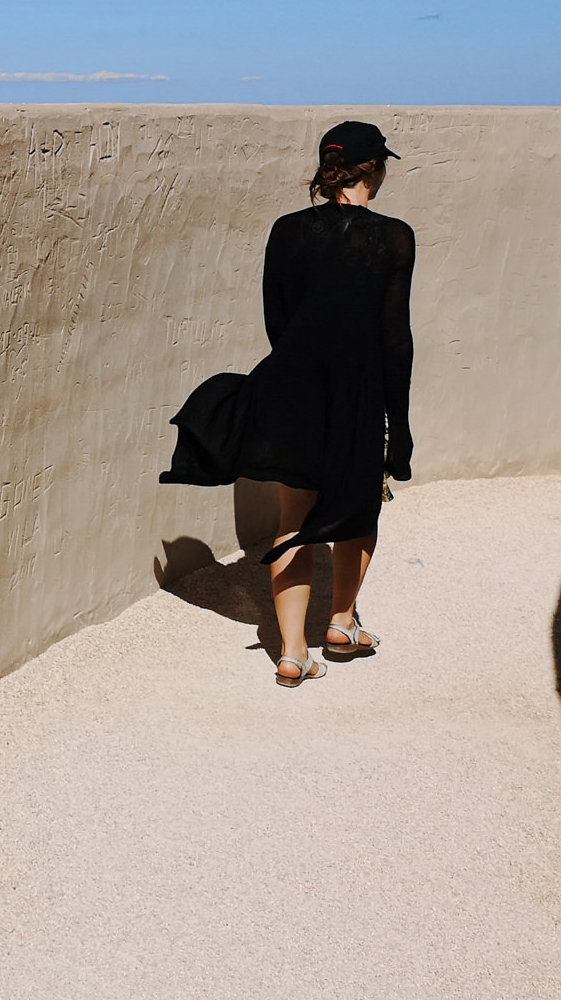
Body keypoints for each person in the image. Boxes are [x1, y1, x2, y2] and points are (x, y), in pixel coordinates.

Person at [159, 121, 416, 686]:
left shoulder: (287, 230)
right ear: (374, 169)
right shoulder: (395, 237)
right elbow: (395, 339)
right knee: (357, 509)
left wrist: (303, 371)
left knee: (292, 518)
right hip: (358, 394)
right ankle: (342, 622)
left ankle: (293, 653)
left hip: (292, 389)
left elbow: (277, 318)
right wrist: (400, 426)